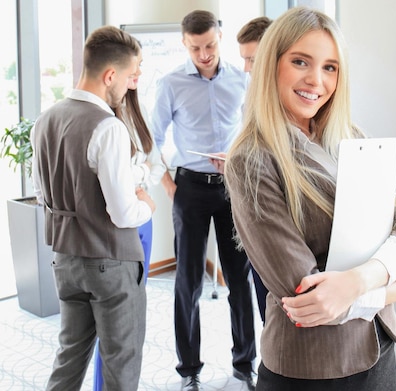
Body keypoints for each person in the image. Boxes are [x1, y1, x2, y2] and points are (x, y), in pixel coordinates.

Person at [224, 7, 396, 391]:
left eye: (330, 67)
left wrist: (361, 280)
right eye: (301, 61)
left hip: (379, 351)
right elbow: (308, 299)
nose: (316, 80)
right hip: (313, 370)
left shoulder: (351, 136)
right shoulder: (252, 159)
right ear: (271, 65)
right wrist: (395, 285)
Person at [31, 26, 156, 391]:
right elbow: (123, 214)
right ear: (110, 75)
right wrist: (145, 205)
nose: (132, 84)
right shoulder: (108, 127)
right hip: (109, 263)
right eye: (131, 76)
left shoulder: (44, 121)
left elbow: (44, 196)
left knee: (68, 357)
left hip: (65, 260)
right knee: (121, 362)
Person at [151, 10, 257, 391]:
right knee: (188, 282)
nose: (204, 53)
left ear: (220, 38)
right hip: (190, 189)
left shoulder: (243, 79)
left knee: (240, 281)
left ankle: (245, 366)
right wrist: (168, 184)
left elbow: (254, 129)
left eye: (210, 45)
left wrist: (239, 160)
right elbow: (151, 140)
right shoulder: (171, 83)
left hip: (233, 188)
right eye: (196, 47)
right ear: (184, 44)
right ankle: (188, 371)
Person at [91, 44, 167, 391]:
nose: (137, 76)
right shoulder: (99, 119)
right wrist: (139, 188)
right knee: (113, 326)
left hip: (141, 223)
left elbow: (155, 161)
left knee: (129, 319)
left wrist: (140, 177)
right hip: (120, 225)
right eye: (132, 70)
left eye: (139, 69)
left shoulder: (138, 110)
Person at [236, 15, 273, 325]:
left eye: (252, 59)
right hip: (256, 219)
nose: (247, 68)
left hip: (279, 225)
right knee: (266, 311)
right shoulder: (251, 98)